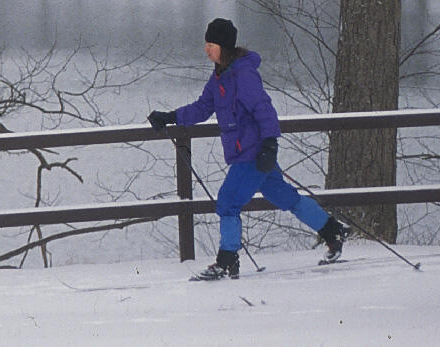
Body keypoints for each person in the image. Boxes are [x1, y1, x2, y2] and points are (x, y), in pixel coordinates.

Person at [148, 17, 346, 279]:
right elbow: (202, 107)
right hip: (249, 151)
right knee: (285, 197)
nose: (207, 49)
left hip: (253, 152)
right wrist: (170, 116)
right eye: (206, 44)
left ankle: (227, 260)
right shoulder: (219, 75)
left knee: (228, 200)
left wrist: (270, 144)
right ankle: (332, 230)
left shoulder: (243, 74)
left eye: (212, 44)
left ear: (225, 46)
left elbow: (263, 109)